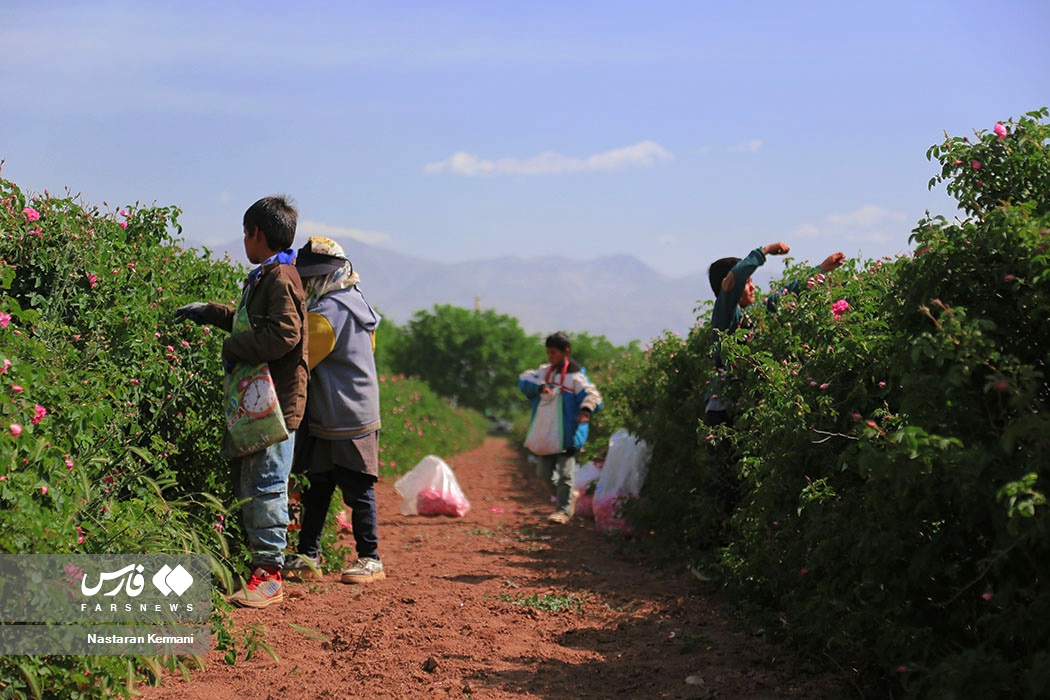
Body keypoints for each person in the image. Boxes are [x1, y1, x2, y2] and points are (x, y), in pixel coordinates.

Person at [175, 195, 308, 609]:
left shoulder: (281, 277)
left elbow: (284, 334)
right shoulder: (267, 275)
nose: (243, 240)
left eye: (245, 233)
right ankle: (258, 566)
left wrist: (234, 345)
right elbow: (257, 323)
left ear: (257, 234)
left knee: (266, 484)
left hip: (275, 405)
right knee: (253, 483)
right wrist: (215, 314)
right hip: (259, 403)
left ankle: (269, 577)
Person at [282, 236, 387, 585]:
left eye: (312, 277)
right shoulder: (355, 302)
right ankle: (307, 554)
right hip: (338, 413)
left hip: (347, 415)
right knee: (319, 486)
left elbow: (300, 353)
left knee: (357, 489)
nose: (308, 283)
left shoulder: (330, 312)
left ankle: (370, 559)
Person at [704, 242, 846, 427]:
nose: (753, 287)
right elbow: (736, 277)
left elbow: (784, 295)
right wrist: (764, 251)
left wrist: (822, 268)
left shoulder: (751, 313)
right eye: (747, 283)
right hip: (722, 410)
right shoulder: (724, 314)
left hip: (742, 405)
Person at [519, 332, 603, 524]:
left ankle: (562, 511)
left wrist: (586, 410)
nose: (550, 357)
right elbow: (524, 381)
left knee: (565, 474)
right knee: (544, 474)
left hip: (568, 435)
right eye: (548, 353)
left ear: (566, 352)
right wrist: (540, 387)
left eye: (554, 353)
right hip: (546, 435)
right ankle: (568, 497)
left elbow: (593, 395)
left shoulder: (576, 377)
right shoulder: (543, 373)